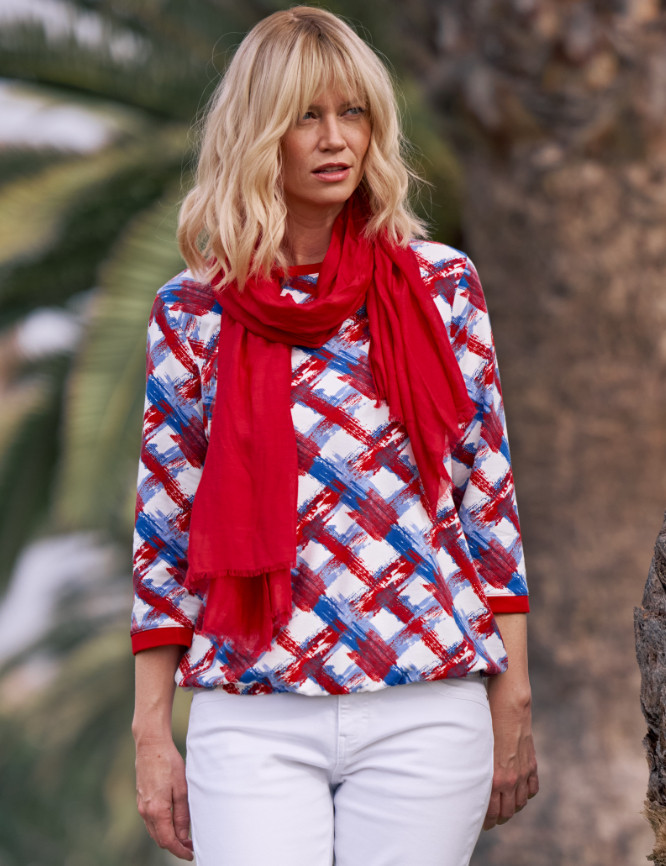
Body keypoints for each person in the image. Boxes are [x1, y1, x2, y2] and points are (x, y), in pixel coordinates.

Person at [131, 7, 538, 866]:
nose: (334, 139)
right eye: (305, 116)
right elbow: (164, 535)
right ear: (258, 134)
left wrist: (515, 698)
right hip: (252, 711)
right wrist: (151, 734)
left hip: (428, 707)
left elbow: (487, 505)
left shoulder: (442, 286)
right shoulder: (192, 310)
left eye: (352, 112)